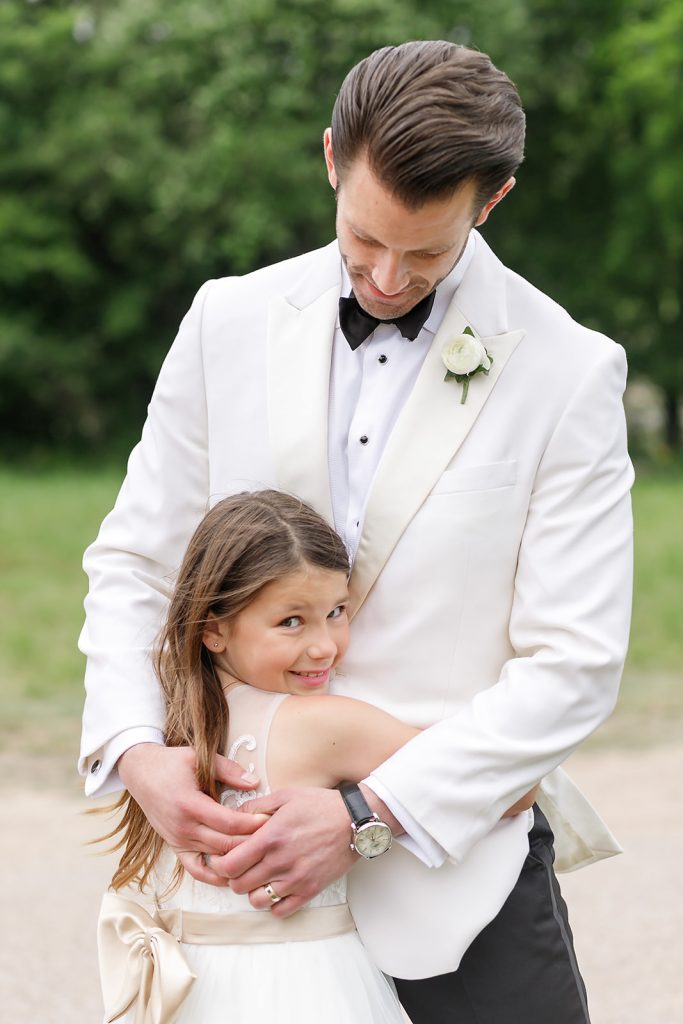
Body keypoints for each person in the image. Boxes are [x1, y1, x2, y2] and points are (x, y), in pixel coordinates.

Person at [80, 40, 633, 1023]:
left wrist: (366, 815)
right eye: (361, 239)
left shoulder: (566, 370)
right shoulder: (226, 320)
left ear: (490, 201)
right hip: (236, 886)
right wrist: (136, 752)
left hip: (449, 864)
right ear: (333, 158)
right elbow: (136, 561)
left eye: (423, 253)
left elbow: (574, 661)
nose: (383, 278)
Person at [97, 490, 539, 1023]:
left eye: (336, 612)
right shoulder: (323, 724)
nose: (325, 645)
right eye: (291, 622)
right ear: (214, 629)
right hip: (306, 985)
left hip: (193, 985)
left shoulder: (167, 713)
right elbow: (514, 788)